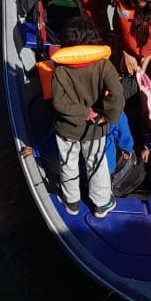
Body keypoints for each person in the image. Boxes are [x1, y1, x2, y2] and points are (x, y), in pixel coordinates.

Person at [50, 15, 123, 218]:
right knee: (96, 165)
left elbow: (59, 102)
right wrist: (106, 116)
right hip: (94, 129)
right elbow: (117, 96)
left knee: (68, 163)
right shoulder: (104, 66)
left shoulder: (60, 70)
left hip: (67, 128)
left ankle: (70, 202)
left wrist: (82, 113)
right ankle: (101, 205)